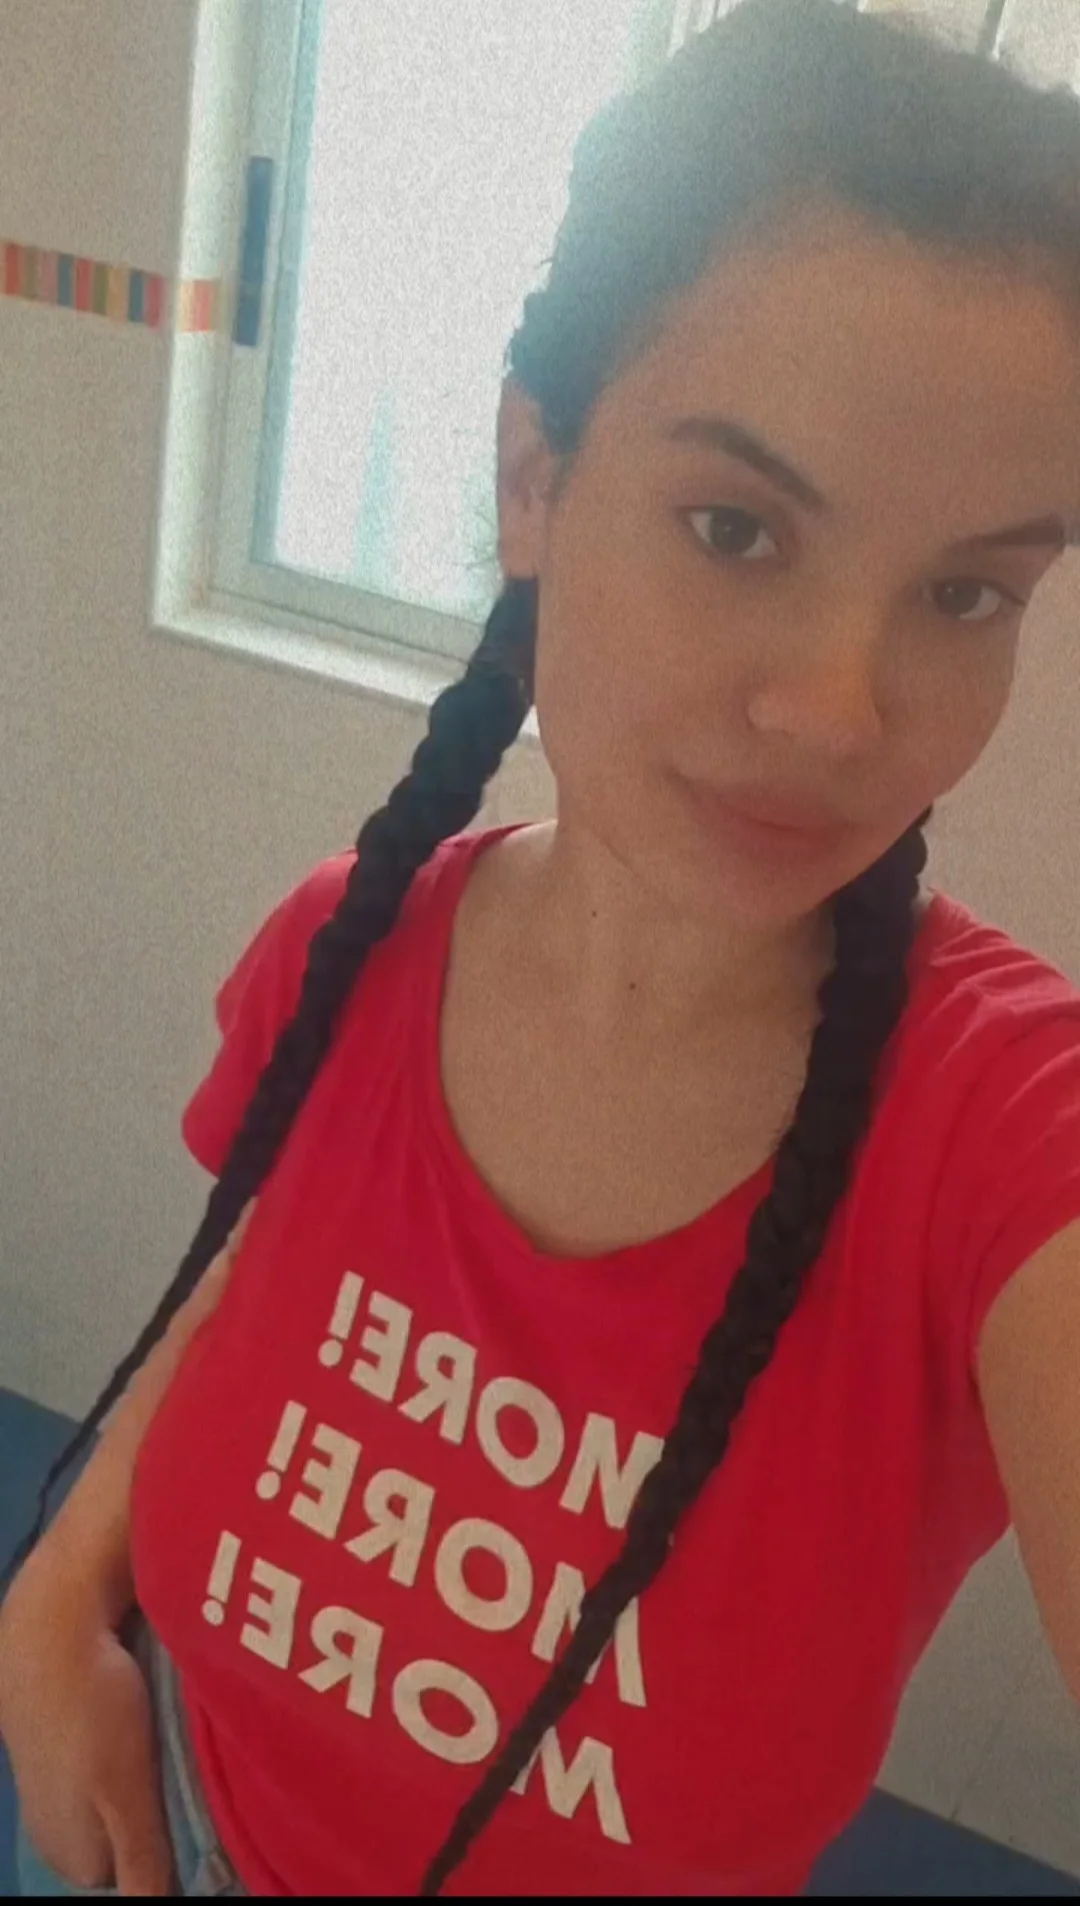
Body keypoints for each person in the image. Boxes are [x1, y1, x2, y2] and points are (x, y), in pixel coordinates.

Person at [4, 0, 1080, 1895]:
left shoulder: (1002, 1139)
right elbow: (249, 1278)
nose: (845, 708)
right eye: (737, 527)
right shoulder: (345, 948)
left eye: (967, 590)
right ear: (533, 477)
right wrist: (62, 1586)